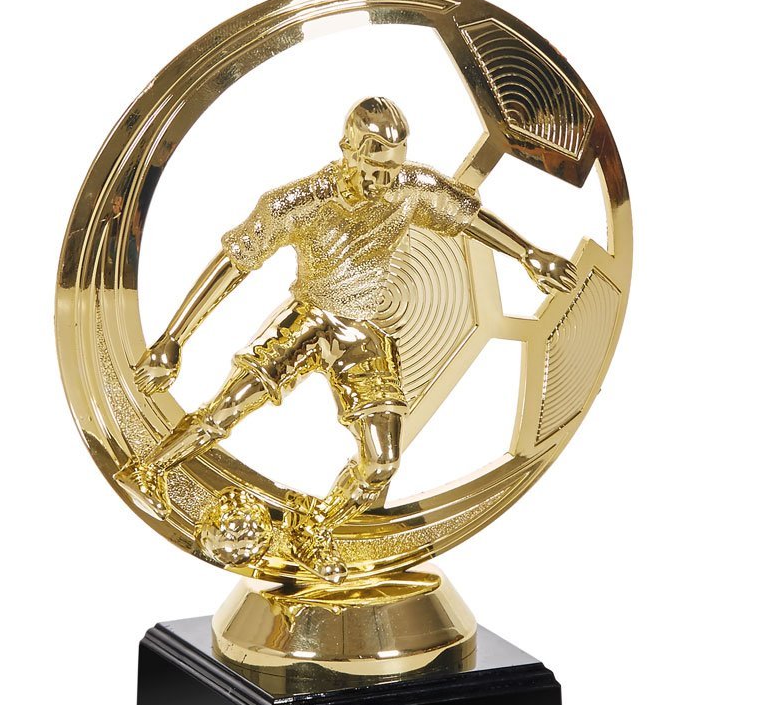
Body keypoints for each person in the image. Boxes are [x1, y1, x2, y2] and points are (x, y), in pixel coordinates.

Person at [116, 97, 577, 580]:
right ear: (347, 149)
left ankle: (314, 530)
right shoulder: (300, 201)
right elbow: (235, 263)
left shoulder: (411, 188)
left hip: (363, 335)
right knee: (228, 408)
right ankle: (149, 468)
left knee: (382, 461)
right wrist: (173, 338)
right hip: (307, 320)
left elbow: (467, 217)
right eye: (373, 166)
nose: (383, 182)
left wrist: (529, 254)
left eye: (391, 169)